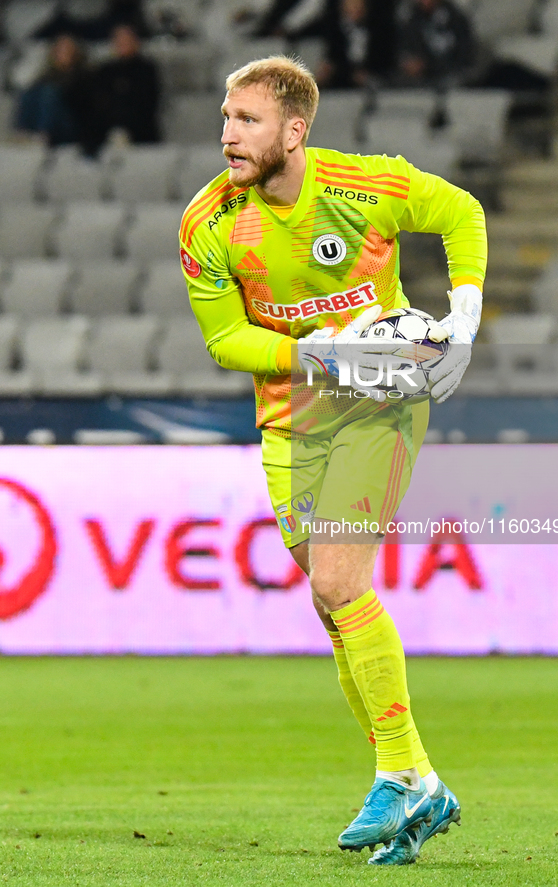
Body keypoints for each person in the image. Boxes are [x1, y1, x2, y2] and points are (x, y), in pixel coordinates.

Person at [179, 56, 486, 866]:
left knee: (338, 581)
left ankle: (392, 771)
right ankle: (422, 778)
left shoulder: (366, 186)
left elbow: (458, 211)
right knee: (332, 608)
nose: (226, 135)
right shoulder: (208, 224)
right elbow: (225, 341)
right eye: (223, 117)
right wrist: (322, 352)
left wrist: (463, 315)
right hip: (291, 422)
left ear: (294, 130)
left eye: (245, 119)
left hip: (379, 403)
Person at [84, 23, 160, 155]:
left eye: (126, 40)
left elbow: (146, 102)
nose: (122, 44)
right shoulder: (105, 71)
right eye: (119, 40)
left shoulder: (146, 70)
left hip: (138, 128)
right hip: (107, 126)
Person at [15, 34, 93, 147]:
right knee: (28, 93)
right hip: (50, 119)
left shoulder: (83, 74)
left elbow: (82, 103)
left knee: (49, 93)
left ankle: (43, 134)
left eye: (67, 49)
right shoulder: (48, 74)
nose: (63, 53)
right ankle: (24, 132)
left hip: (72, 123)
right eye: (60, 49)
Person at [395, 0, 476, 88]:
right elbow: (407, 48)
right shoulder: (412, 19)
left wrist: (429, 65)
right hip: (420, 80)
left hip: (450, 77)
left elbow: (464, 55)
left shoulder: (455, 18)